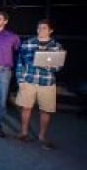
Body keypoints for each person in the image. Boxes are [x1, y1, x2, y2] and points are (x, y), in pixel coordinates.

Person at [15, 19, 64, 149]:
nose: (40, 30)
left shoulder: (56, 46)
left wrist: (48, 66)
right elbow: (20, 63)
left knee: (46, 110)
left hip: (46, 82)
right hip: (28, 80)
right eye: (39, 28)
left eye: (43, 28)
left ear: (50, 30)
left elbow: (58, 67)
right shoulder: (27, 44)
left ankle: (42, 136)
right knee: (26, 107)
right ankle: (24, 132)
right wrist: (20, 80)